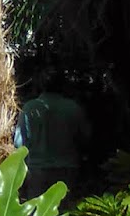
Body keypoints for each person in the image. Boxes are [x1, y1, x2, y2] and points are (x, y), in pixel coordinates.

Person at [15, 71, 91, 200]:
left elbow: (19, 143)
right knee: (65, 207)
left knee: (38, 209)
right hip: (67, 168)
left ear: (40, 86)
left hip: (37, 169)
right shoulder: (73, 108)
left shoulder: (29, 108)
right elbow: (84, 137)